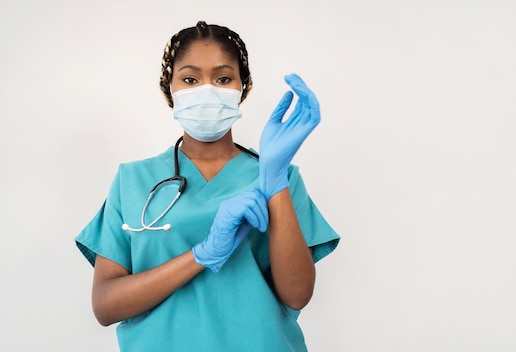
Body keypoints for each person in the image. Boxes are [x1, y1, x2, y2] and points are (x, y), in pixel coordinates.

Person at [74, 20, 340, 351]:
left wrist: (275, 182)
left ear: (243, 87)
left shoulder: (279, 176)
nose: (207, 89)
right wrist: (202, 255)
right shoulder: (133, 180)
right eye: (190, 79)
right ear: (168, 88)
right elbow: (105, 305)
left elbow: (298, 293)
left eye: (223, 78)